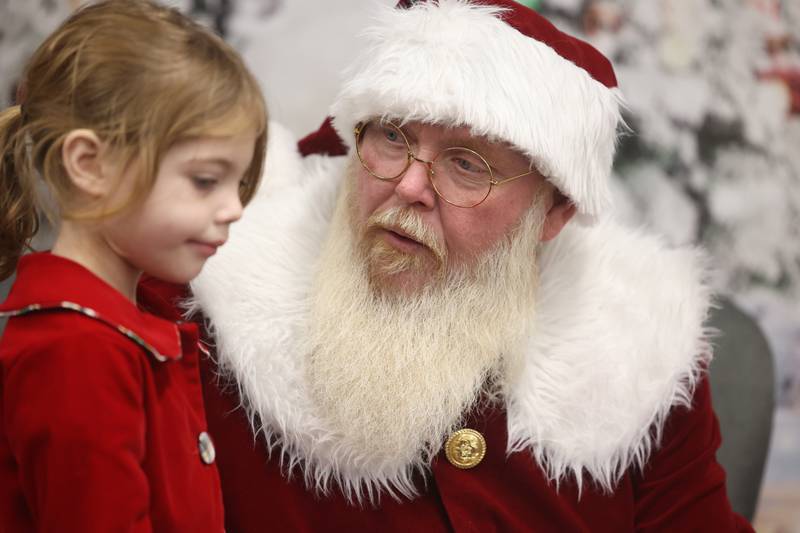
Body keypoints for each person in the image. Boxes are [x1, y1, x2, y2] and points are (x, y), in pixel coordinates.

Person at [148, 0, 752, 530]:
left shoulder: (638, 348)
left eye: (467, 164)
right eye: (390, 136)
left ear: (552, 214)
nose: (410, 184)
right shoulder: (209, 305)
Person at [0, 1, 267, 531]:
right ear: (91, 165)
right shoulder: (75, 351)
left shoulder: (113, 329)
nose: (235, 208)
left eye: (238, 184)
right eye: (205, 180)